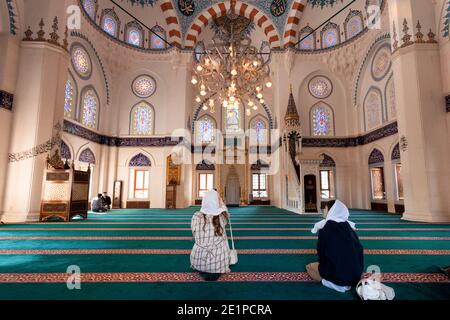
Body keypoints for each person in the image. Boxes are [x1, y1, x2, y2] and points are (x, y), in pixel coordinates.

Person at [306, 200, 364, 293]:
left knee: (309, 267)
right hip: (356, 275)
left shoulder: (325, 228)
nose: (323, 210)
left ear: (331, 210)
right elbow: (359, 249)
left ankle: (333, 283)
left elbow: (321, 253)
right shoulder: (348, 226)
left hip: (338, 275)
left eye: (325, 209)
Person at [190, 189, 231, 281]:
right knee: (223, 237)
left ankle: (204, 267)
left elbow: (193, 232)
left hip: (198, 261)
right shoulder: (222, 217)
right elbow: (226, 211)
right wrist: (220, 202)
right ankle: (213, 267)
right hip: (218, 263)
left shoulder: (196, 216)